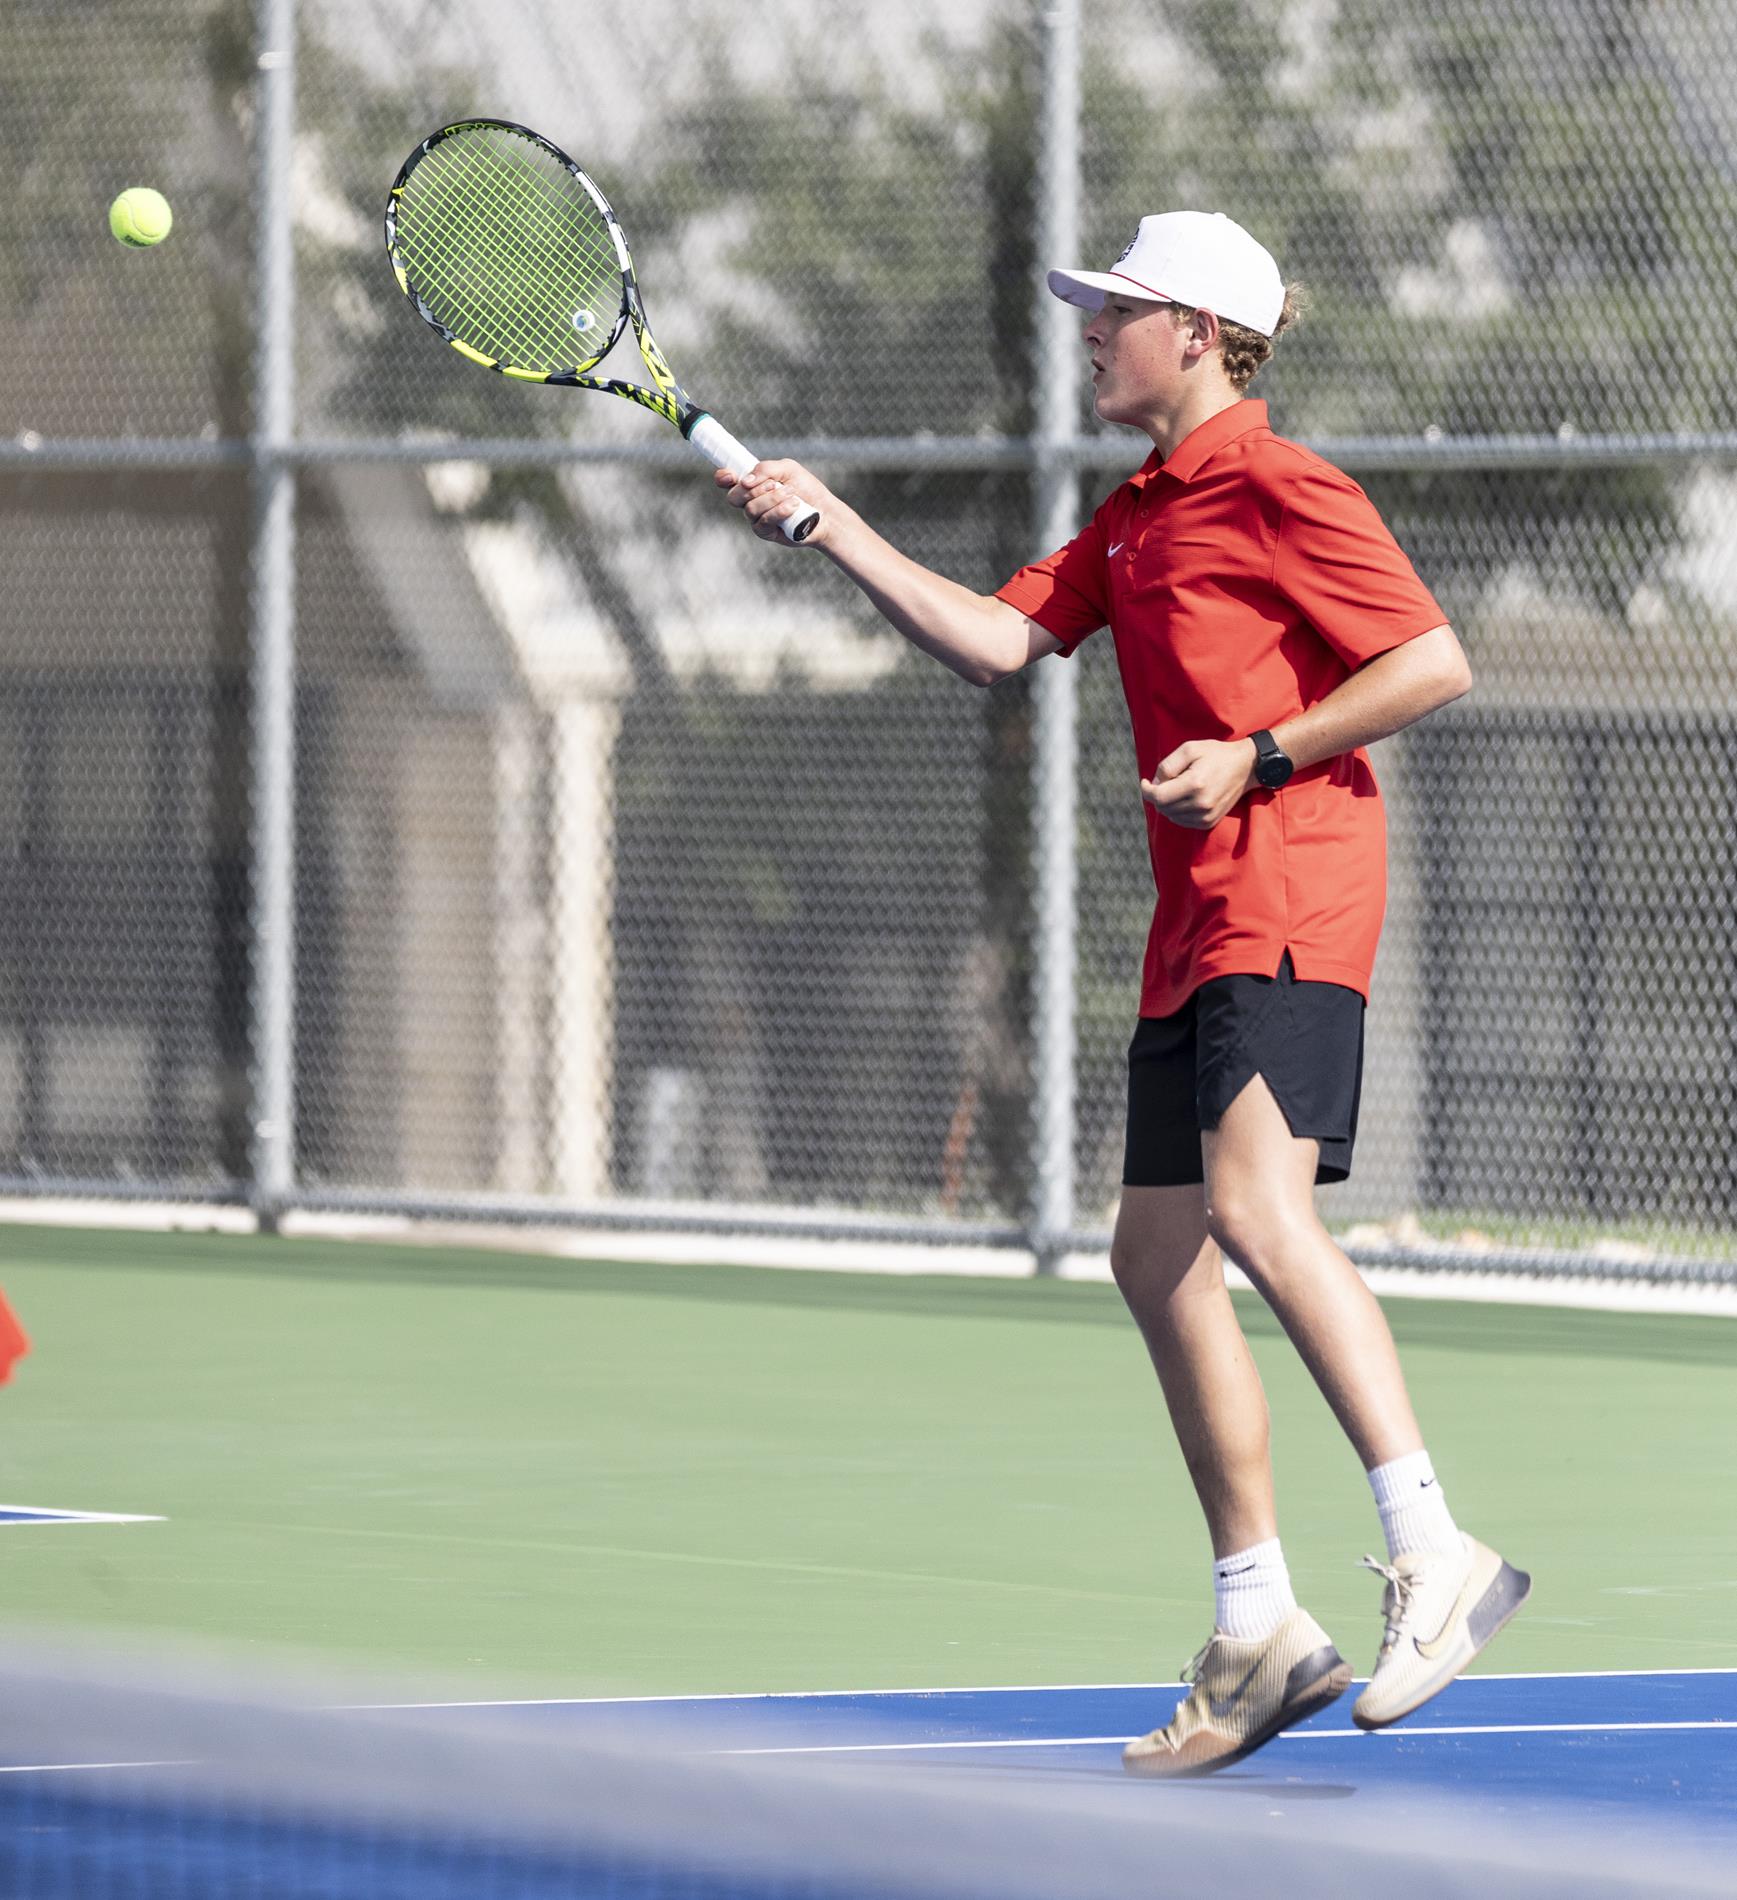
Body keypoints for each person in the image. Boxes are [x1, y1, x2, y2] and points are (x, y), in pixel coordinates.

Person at [715, 209, 1530, 1777]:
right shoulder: (1138, 513)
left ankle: (1437, 1548)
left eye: (1119, 310)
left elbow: (1432, 660)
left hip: (1288, 896)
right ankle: (1258, 1626)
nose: (1090, 329)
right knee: (1153, 1252)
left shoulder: (1281, 484)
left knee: (1253, 1213)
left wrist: (1263, 751)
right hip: (1191, 922)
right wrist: (831, 527)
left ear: (1201, 336)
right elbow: (998, 643)